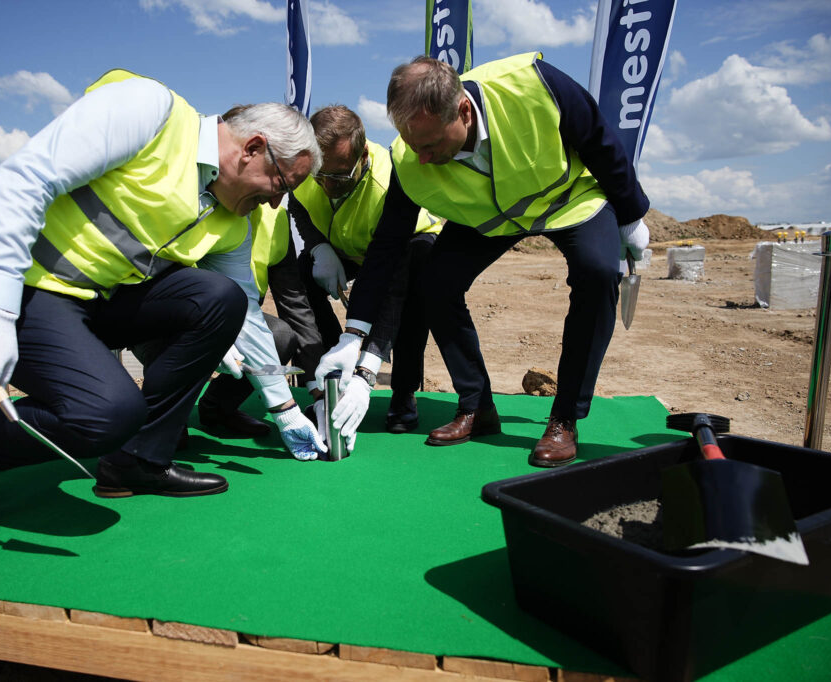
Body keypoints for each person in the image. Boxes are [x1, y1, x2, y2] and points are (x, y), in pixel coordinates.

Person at [0, 69, 324, 539]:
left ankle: (137, 459)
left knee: (221, 298)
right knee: (106, 413)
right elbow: (25, 178)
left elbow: (248, 315)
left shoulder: (232, 222)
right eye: (281, 184)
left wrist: (284, 408)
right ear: (253, 148)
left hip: (88, 300)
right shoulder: (150, 110)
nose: (277, 203)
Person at [316, 53, 649, 468]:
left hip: (567, 199)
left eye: (431, 145)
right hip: (489, 219)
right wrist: (354, 334)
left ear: (464, 111)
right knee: (435, 283)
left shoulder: (533, 85)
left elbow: (599, 138)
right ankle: (477, 406)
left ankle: (565, 418)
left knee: (597, 273)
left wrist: (631, 215)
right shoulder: (409, 157)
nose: (421, 158)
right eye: (413, 145)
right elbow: (387, 247)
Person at [288, 105, 440, 446]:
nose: (328, 186)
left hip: (406, 245)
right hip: (346, 243)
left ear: (363, 156)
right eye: (320, 175)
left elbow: (389, 289)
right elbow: (297, 204)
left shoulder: (388, 186)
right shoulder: (309, 167)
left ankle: (403, 394)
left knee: (411, 302)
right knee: (301, 274)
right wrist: (318, 247)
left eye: (339, 177)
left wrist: (366, 371)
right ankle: (330, 377)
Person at [180, 200, 324, 439]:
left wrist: (317, 386)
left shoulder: (275, 218)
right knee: (171, 441)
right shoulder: (196, 205)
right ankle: (170, 415)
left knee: (281, 336)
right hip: (181, 318)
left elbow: (294, 303)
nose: (276, 199)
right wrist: (206, 327)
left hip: (239, 318)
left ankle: (218, 407)